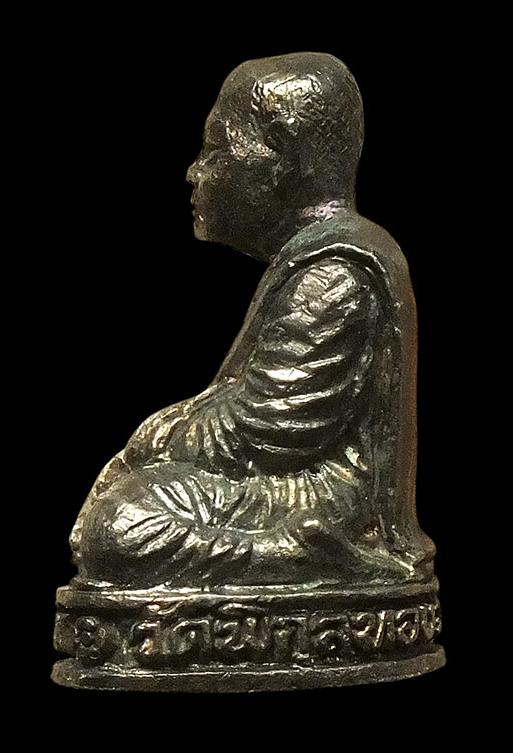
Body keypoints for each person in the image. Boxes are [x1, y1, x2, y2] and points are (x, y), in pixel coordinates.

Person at [70, 52, 435, 589]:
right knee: (128, 506)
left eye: (215, 149)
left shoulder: (334, 272)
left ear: (282, 157)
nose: (195, 171)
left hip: (323, 499)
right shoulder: (316, 261)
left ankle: (299, 553)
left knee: (122, 525)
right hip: (290, 488)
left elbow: (269, 434)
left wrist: (156, 437)